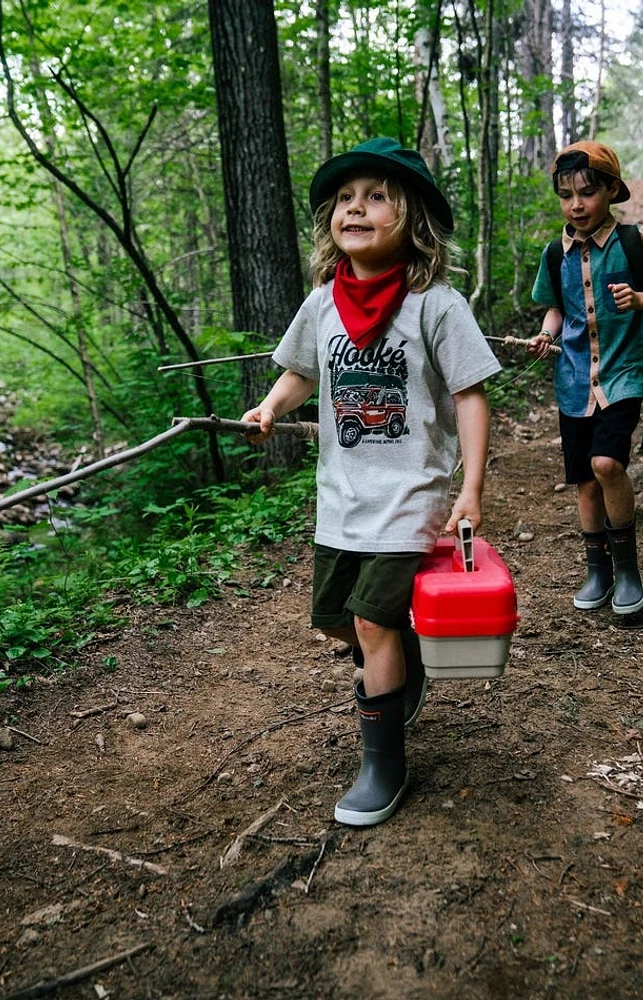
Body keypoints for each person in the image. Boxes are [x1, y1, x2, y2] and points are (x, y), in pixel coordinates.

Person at [241, 138, 501, 827]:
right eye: (346, 198)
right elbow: (302, 371)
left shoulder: (436, 305)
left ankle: (383, 762)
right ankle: (403, 655)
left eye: (377, 196)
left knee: (371, 618)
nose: (356, 207)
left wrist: (470, 488)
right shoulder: (323, 303)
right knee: (338, 621)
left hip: (410, 495)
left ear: (410, 218)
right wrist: (271, 407)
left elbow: (472, 394)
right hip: (342, 497)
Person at [526, 142, 643, 615]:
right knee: (584, 480)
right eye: (566, 195)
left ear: (612, 191)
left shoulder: (637, 241)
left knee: (607, 465)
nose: (576, 204)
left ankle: (628, 569)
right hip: (574, 378)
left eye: (587, 192)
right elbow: (556, 308)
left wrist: (639, 299)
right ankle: (597, 569)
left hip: (625, 372)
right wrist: (544, 334)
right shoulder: (555, 252)